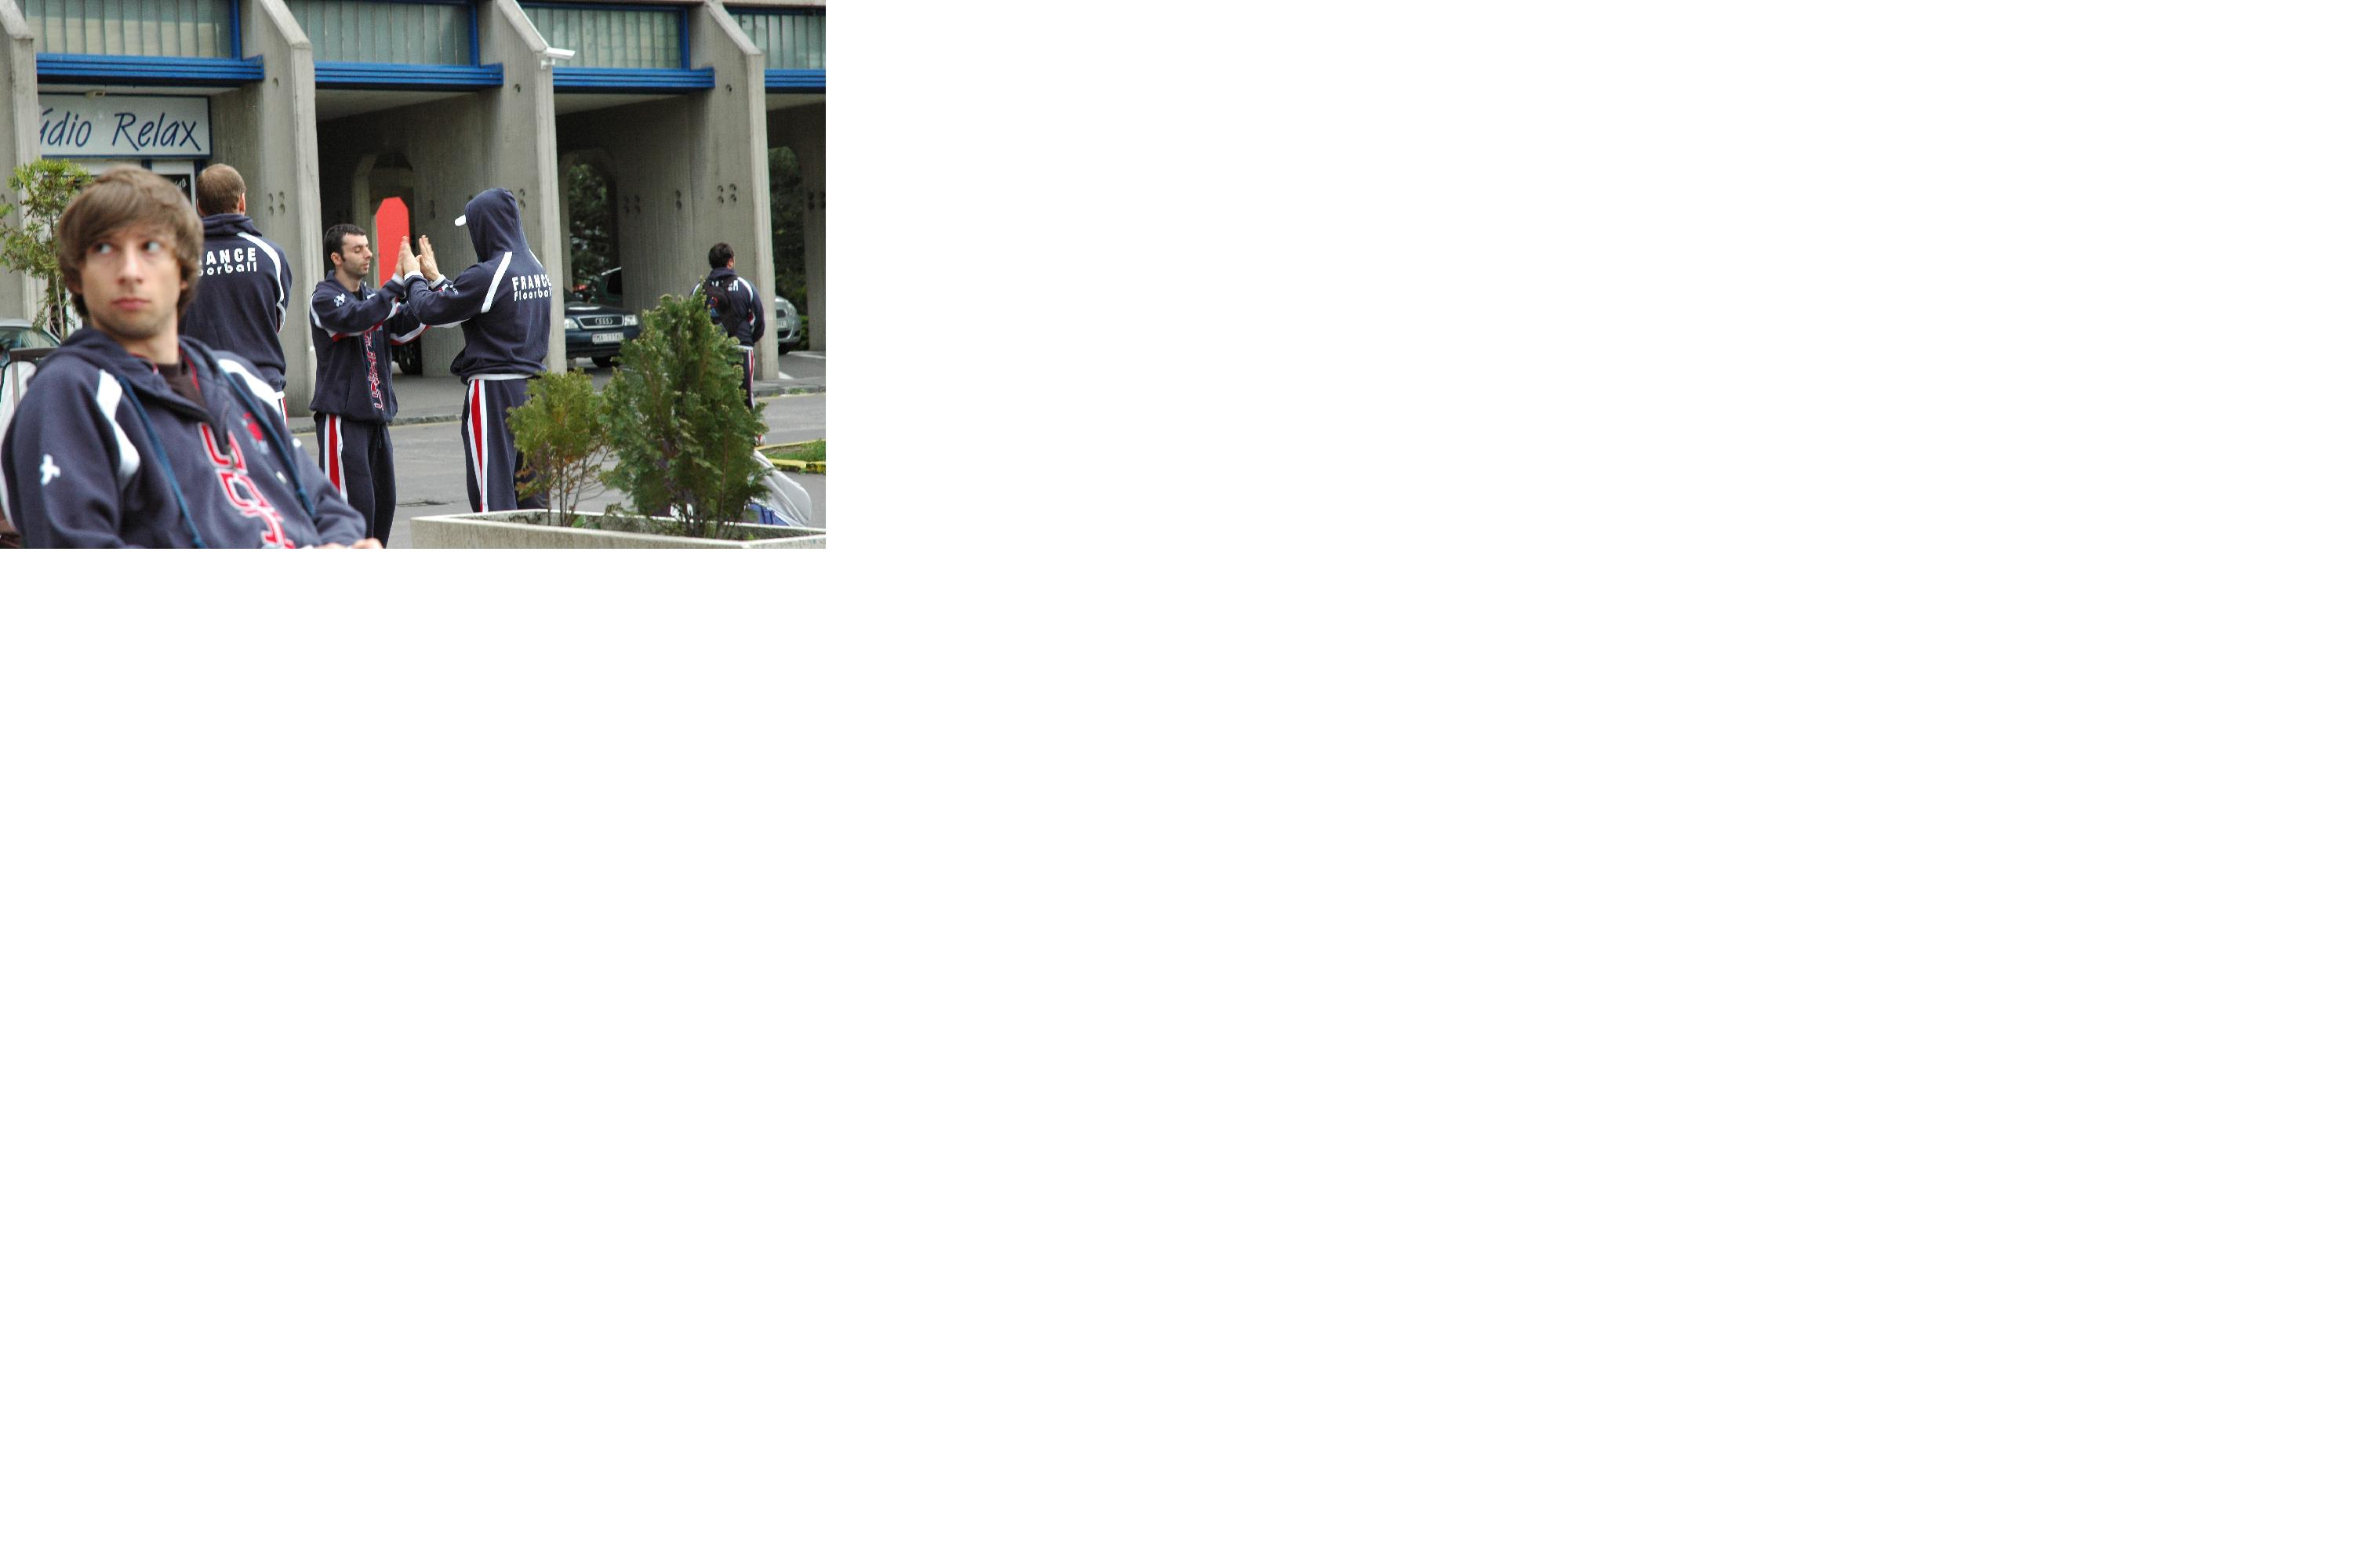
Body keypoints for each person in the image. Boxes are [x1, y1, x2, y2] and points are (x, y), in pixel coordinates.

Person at [0, 168, 370, 548]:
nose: (130, 272)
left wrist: (344, 547)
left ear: (183, 271)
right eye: (105, 249)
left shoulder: (240, 381)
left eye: (150, 247)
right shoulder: (69, 395)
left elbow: (327, 506)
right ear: (76, 277)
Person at [396, 187, 552, 512]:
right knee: (533, 494)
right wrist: (438, 279)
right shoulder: (534, 267)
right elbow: (468, 307)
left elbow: (432, 311)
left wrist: (412, 276)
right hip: (534, 389)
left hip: (495, 391)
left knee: (493, 493)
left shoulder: (490, 272)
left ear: (485, 227)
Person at [310, 221, 429, 547]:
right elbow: (357, 318)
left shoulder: (375, 298)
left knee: (383, 512)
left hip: (377, 423)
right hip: (343, 423)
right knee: (350, 519)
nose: (368, 254)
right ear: (337, 258)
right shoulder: (324, 298)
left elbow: (405, 326)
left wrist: (427, 284)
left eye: (367, 247)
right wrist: (397, 283)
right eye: (358, 249)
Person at [177, 163, 294, 417]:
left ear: (199, 206)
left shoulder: (179, 259)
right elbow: (275, 320)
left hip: (200, 391)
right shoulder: (271, 255)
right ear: (242, 202)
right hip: (262, 389)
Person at [697, 241, 765, 413]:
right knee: (744, 398)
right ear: (731, 261)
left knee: (713, 400)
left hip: (710, 352)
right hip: (741, 347)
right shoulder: (745, 287)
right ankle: (750, 427)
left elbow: (691, 319)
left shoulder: (700, 289)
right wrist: (749, 339)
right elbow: (759, 321)